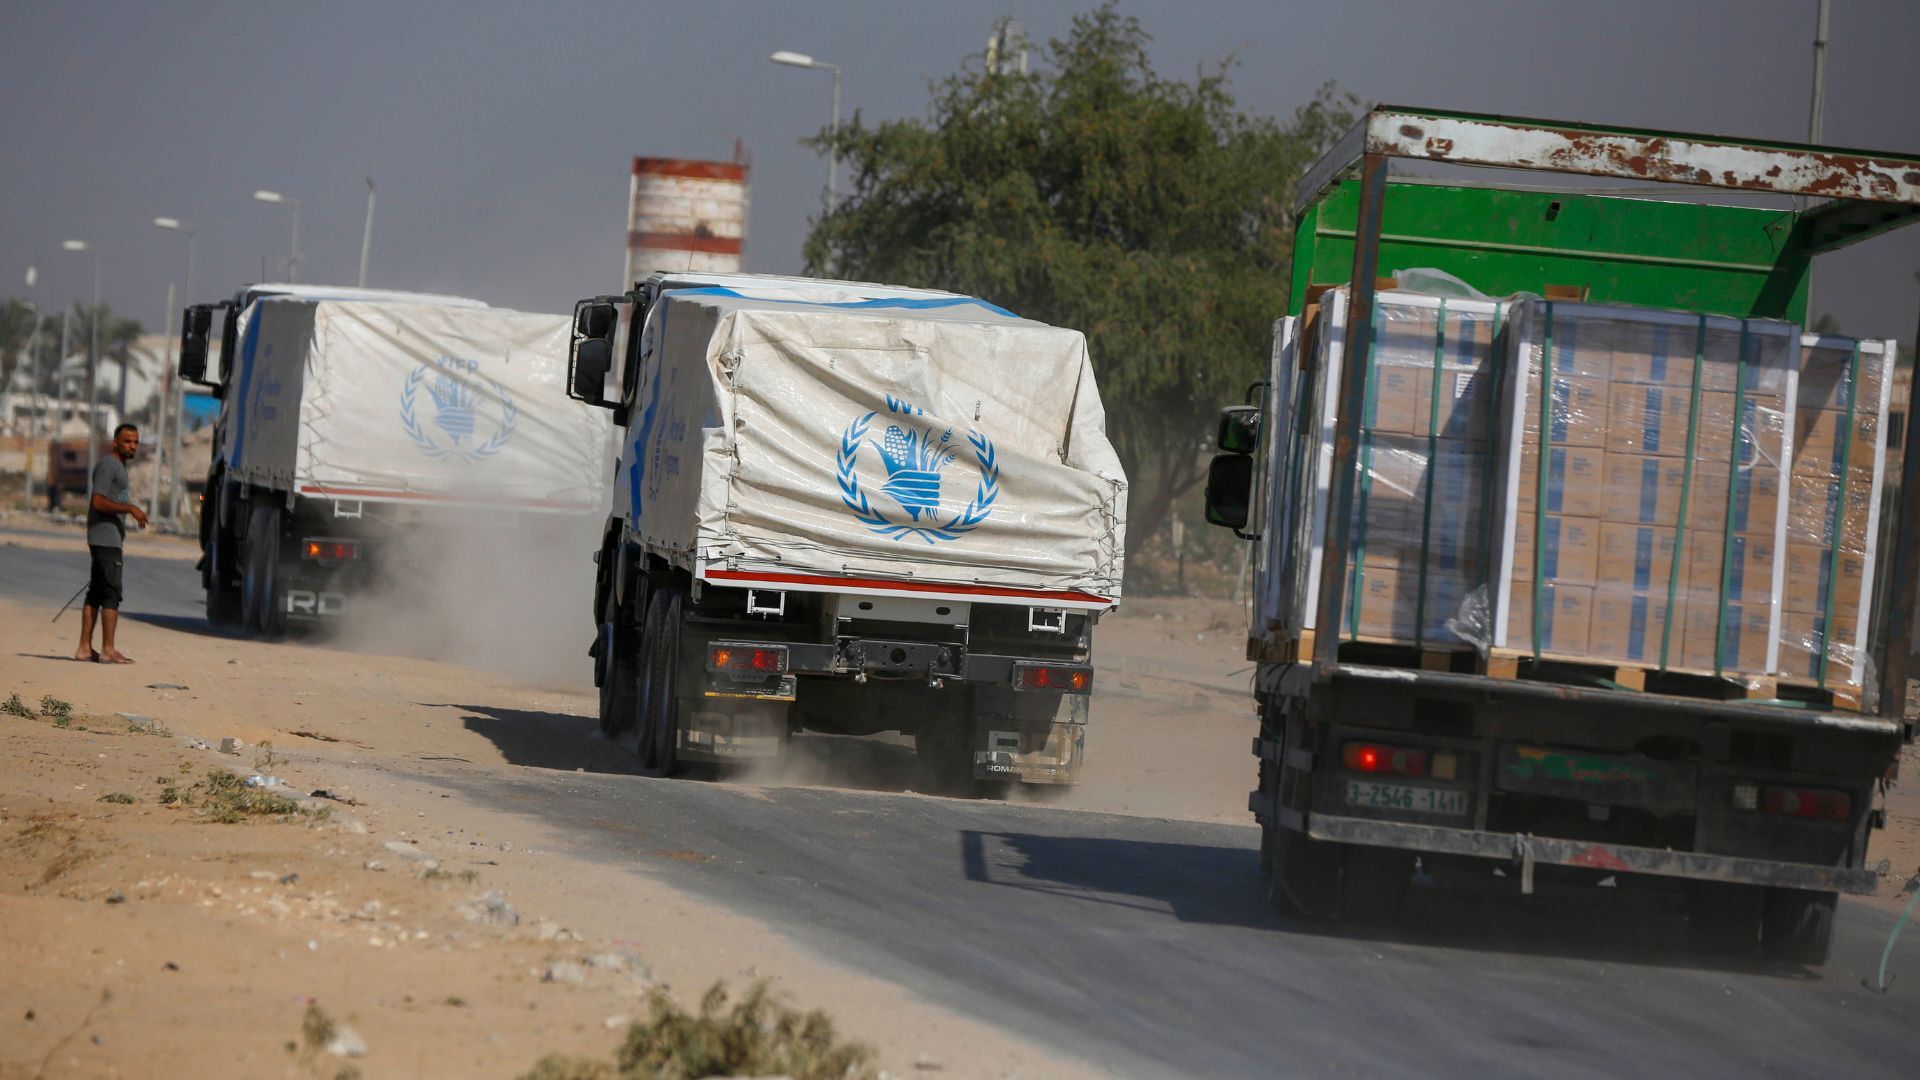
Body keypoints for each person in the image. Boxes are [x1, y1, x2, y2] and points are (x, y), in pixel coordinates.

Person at [76, 423, 148, 664]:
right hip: (105, 538)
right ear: (115, 442)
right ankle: (108, 649)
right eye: (128, 441)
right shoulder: (109, 466)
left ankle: (85, 648)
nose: (133, 446)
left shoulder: (120, 467)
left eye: (136, 442)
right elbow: (98, 501)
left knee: (96, 591)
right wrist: (130, 508)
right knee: (111, 593)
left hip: (106, 538)